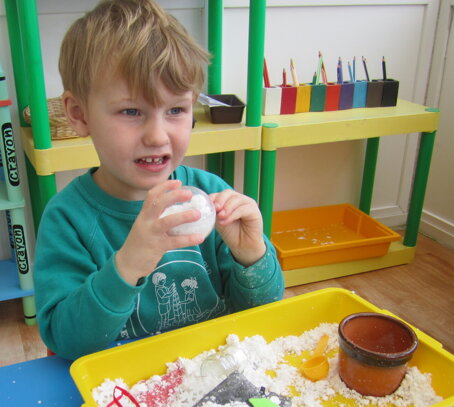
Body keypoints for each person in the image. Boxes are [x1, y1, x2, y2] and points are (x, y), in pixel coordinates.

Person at [35, 0, 284, 360]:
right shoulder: (67, 220)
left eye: (176, 110)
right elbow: (67, 342)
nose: (157, 135)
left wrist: (252, 256)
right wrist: (127, 265)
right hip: (121, 385)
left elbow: (263, 314)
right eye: (131, 111)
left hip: (211, 376)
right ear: (79, 114)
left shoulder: (212, 195)